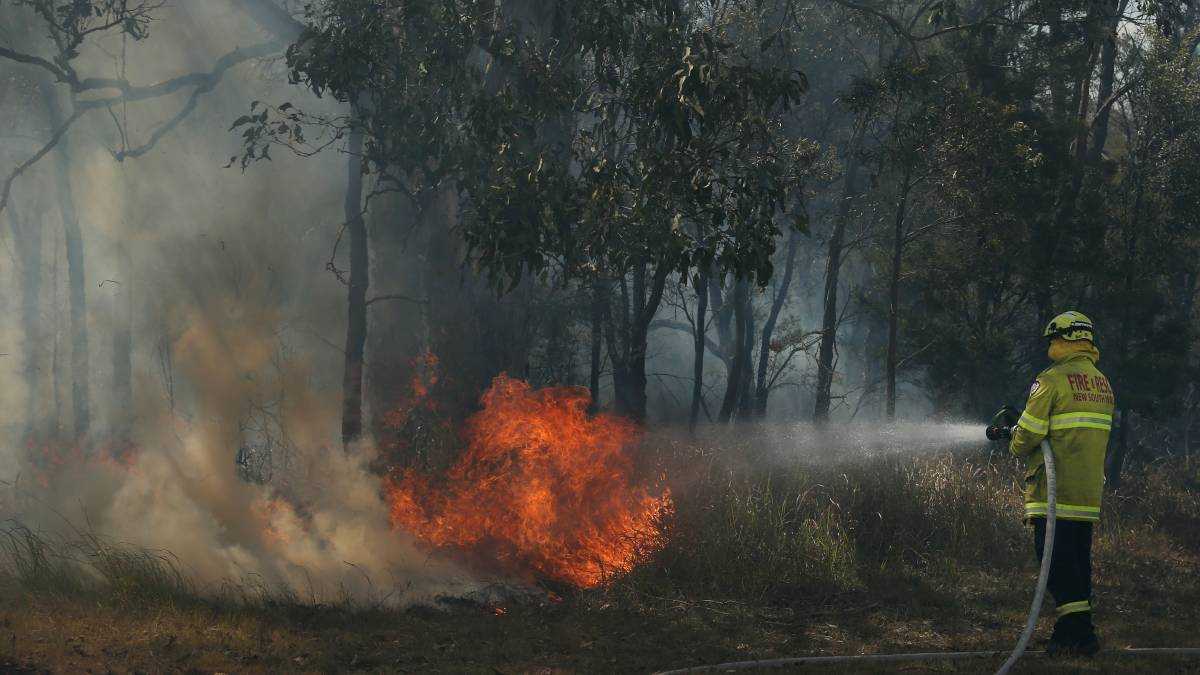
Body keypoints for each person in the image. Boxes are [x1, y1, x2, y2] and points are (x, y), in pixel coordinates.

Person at [1009, 310, 1114, 656]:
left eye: (1053, 339)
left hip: (1053, 493)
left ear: (1067, 339)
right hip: (1086, 495)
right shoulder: (1102, 383)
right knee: (1077, 565)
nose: (1050, 346)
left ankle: (1079, 634)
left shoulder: (1051, 380)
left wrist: (1011, 435)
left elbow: (1028, 436)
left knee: (1055, 566)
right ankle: (1074, 631)